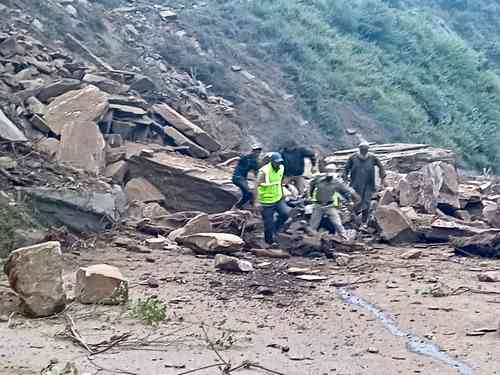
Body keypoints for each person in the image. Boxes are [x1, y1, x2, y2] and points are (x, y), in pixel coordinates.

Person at [308, 166, 360, 238]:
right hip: (318, 205)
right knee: (313, 225)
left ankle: (345, 238)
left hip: (329, 206)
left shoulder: (336, 182)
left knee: (338, 223)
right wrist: (310, 195)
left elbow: (345, 191)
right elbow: (311, 186)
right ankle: (310, 239)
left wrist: (351, 200)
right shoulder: (318, 179)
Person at [343, 142, 386, 226]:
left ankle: (364, 222)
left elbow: (381, 166)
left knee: (367, 202)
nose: (364, 151)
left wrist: (382, 179)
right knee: (356, 201)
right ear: (359, 149)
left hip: (368, 184)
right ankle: (353, 220)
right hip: (355, 184)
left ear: (368, 149)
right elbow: (346, 169)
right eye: (362, 149)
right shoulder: (353, 158)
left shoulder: (372, 157)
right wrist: (345, 180)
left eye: (365, 149)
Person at [255, 152, 290, 245]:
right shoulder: (264, 171)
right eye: (276, 162)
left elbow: (280, 182)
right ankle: (269, 242)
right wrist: (256, 202)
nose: (279, 164)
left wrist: (282, 194)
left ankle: (276, 229)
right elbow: (257, 186)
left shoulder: (281, 168)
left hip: (278, 198)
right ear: (272, 162)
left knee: (286, 214)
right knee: (268, 224)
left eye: (280, 162)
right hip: (266, 202)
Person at [232, 143, 262, 209]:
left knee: (249, 194)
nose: (257, 153)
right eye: (255, 151)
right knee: (249, 193)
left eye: (258, 152)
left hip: (243, 179)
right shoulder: (246, 157)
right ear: (253, 151)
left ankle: (242, 206)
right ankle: (237, 207)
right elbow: (236, 158)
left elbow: (256, 172)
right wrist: (225, 163)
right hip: (238, 178)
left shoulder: (255, 161)